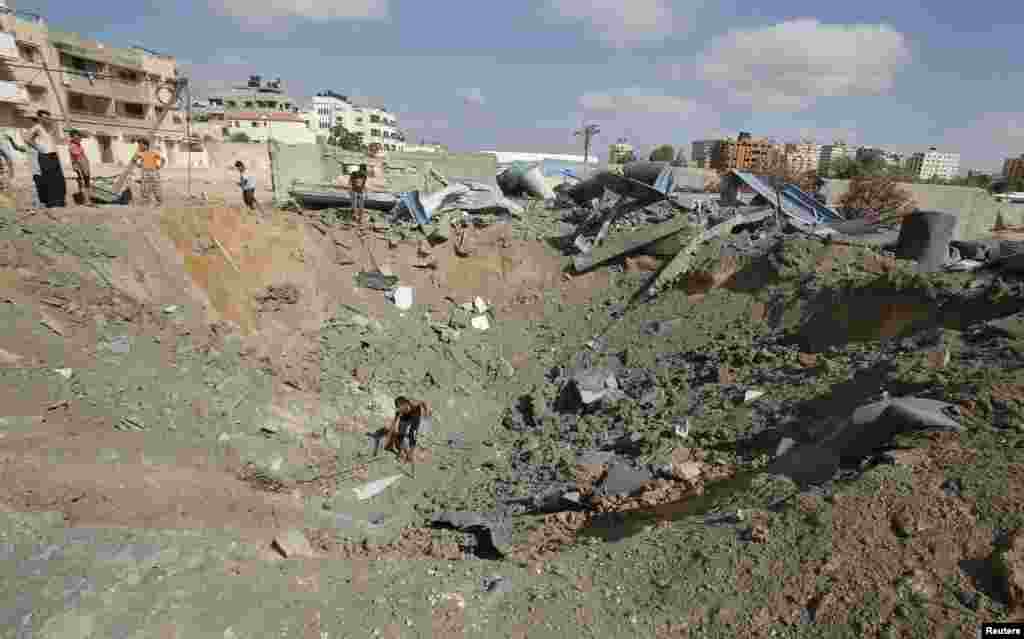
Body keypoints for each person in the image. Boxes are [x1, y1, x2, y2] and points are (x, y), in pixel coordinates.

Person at [24, 110, 65, 208]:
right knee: (48, 179)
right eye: (45, 117)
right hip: (45, 156)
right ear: (39, 118)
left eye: (48, 117)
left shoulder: (49, 128)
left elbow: (54, 141)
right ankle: (50, 202)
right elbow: (27, 138)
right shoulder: (37, 127)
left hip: (53, 155)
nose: (47, 119)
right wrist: (38, 147)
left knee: (58, 178)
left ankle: (59, 201)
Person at [385, 396, 430, 464]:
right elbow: (393, 426)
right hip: (406, 417)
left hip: (415, 414)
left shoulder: (413, 403)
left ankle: (410, 454)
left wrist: (427, 411)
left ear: (407, 403)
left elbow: (423, 402)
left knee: (412, 433)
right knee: (399, 432)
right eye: (400, 409)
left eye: (404, 408)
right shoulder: (399, 412)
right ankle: (402, 451)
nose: (402, 410)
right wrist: (388, 440)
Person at [4, 134, 41, 209]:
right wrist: (11, 140)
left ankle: (39, 203)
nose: (27, 141)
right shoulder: (27, 148)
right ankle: (37, 203)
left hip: (40, 170)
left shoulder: (39, 148)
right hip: (35, 171)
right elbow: (16, 147)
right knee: (35, 186)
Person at [134, 139, 164, 205]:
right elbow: (136, 160)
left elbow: (163, 159)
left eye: (141, 145)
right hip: (145, 173)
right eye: (139, 145)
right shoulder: (140, 154)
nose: (139, 147)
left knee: (156, 187)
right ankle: (146, 201)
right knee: (144, 188)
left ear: (146, 145)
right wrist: (139, 164)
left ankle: (159, 201)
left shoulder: (153, 152)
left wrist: (159, 166)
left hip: (154, 173)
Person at [68, 132, 93, 206]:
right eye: (77, 138)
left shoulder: (78, 145)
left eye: (79, 137)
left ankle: (87, 199)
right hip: (80, 167)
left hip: (84, 166)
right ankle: (86, 200)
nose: (79, 139)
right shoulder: (72, 146)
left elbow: (83, 156)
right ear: (72, 138)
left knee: (86, 183)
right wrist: (84, 169)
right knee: (82, 183)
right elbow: (78, 159)